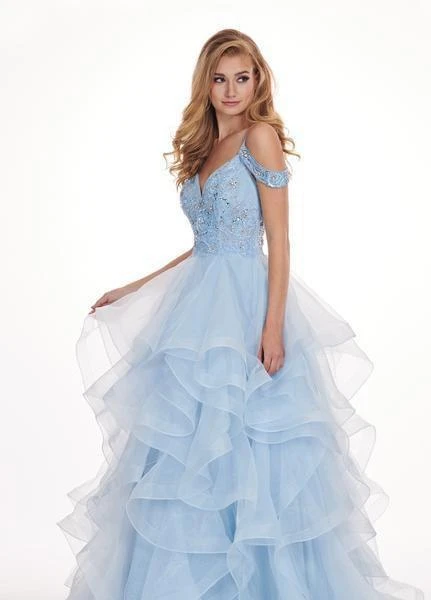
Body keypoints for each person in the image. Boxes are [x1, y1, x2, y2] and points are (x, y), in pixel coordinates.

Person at [58, 28, 423, 600]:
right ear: (206, 84)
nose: (231, 89)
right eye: (220, 78)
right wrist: (134, 286)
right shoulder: (204, 147)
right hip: (197, 307)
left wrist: (272, 327)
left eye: (242, 77)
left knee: (252, 444)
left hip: (245, 307)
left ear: (258, 82)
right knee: (189, 448)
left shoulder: (261, 137)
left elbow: (278, 239)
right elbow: (203, 243)